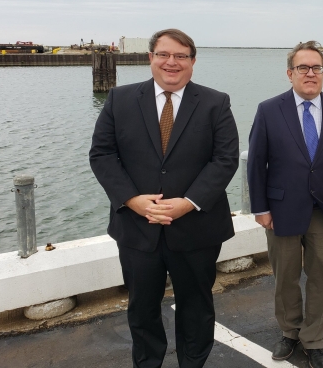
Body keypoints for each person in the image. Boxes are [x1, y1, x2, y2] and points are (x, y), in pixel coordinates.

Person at [90, 28, 239, 367]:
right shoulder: (120, 99)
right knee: (141, 310)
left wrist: (189, 202)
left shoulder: (216, 102)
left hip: (197, 227)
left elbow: (225, 159)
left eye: (181, 56)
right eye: (164, 55)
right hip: (137, 228)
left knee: (197, 309)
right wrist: (132, 200)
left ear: (193, 62)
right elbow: (101, 155)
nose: (172, 63)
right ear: (151, 58)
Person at [247, 41, 323, 368]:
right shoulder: (269, 110)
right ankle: (290, 331)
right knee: (286, 277)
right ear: (290, 73)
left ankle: (313, 339)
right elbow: (256, 164)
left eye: (316, 68)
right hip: (281, 209)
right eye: (302, 68)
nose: (310, 73)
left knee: (322, 276)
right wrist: (260, 208)